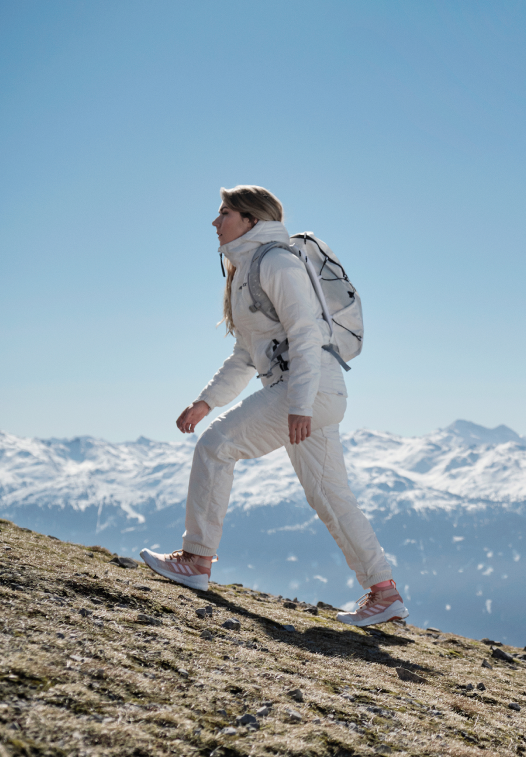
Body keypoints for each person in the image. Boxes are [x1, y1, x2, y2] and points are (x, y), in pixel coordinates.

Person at [140, 185, 407, 627]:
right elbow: (247, 355)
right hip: (313, 393)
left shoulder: (276, 262)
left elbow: (305, 334)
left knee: (216, 446)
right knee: (330, 497)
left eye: (223, 213)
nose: (214, 222)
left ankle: (195, 560)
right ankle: (384, 593)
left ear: (250, 219)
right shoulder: (245, 270)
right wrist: (206, 400)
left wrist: (299, 405)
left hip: (307, 391)